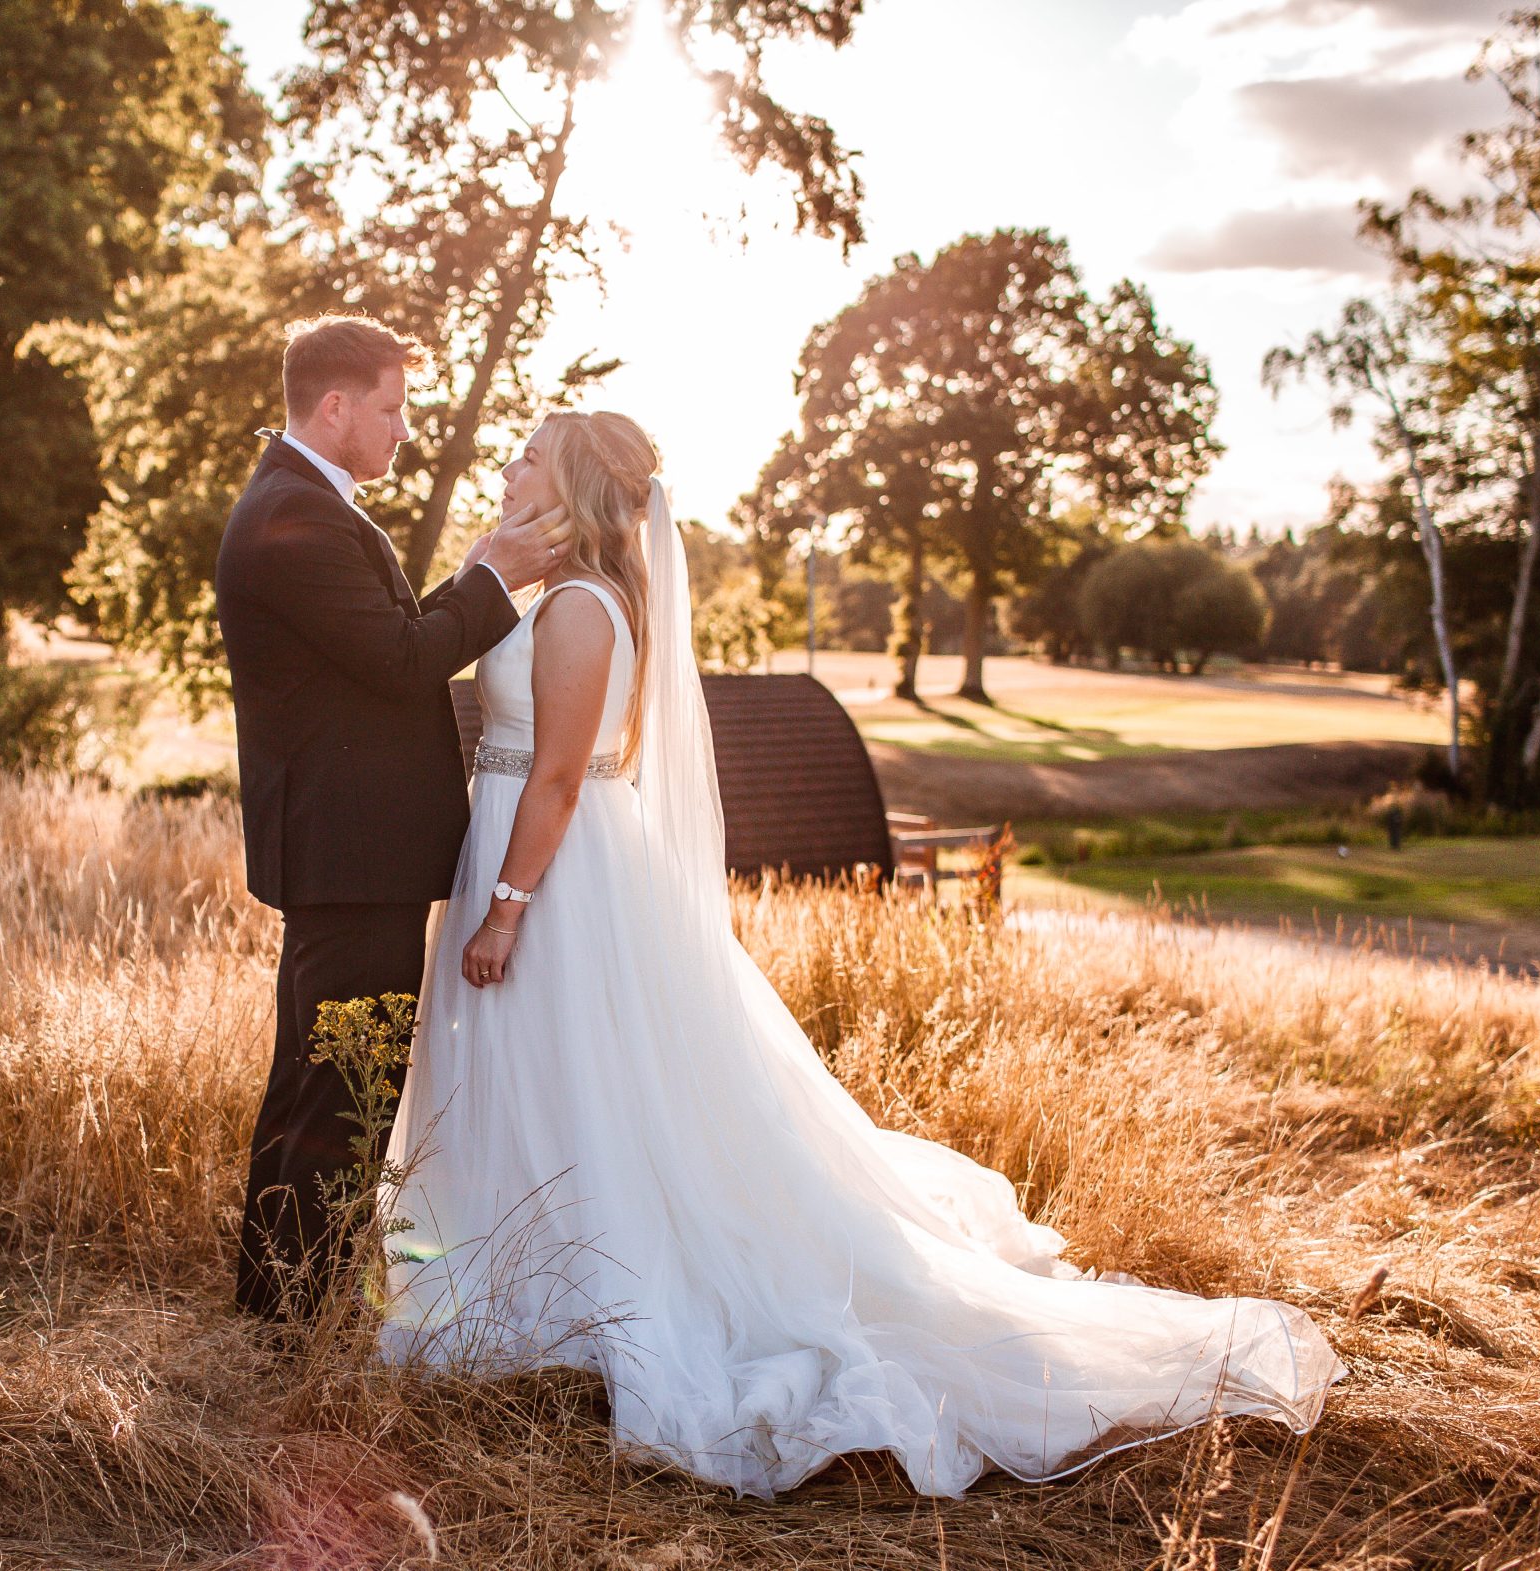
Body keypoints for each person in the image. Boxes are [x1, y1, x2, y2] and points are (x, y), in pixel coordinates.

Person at [378, 409, 1342, 1498]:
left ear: (573, 489)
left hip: (551, 872)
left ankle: (578, 1281)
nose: (504, 464)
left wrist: (505, 909)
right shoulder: (553, 594)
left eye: (525, 454)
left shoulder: (578, 613)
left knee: (578, 1070)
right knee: (554, 1072)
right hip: (542, 857)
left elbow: (554, 778)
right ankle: (510, 1265)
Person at [212, 314, 569, 1320]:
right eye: (391, 406)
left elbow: (386, 646)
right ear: (335, 408)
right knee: (340, 1091)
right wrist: (495, 577)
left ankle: (271, 1306)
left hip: (344, 851)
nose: (403, 428)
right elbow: (406, 661)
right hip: (350, 853)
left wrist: (473, 578)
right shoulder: (297, 517)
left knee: (315, 1081)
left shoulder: (305, 504)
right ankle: (293, 1315)